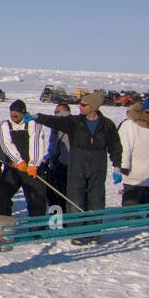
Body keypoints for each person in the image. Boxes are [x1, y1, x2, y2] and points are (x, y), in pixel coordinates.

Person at [34, 91, 122, 244]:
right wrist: (38, 117)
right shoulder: (75, 122)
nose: (80, 107)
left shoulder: (107, 125)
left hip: (97, 164)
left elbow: (115, 146)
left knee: (96, 199)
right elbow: (55, 121)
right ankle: (77, 233)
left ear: (93, 107)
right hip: (77, 164)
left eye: (83, 104)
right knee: (75, 198)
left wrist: (117, 166)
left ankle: (94, 233)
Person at [0, 100, 49, 219]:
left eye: (17, 112)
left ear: (23, 113)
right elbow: (6, 145)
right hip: (14, 167)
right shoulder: (5, 125)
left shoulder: (33, 123)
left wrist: (34, 164)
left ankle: (36, 230)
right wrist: (18, 161)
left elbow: (36, 143)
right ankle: (3, 226)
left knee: (36, 200)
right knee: (1, 197)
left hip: (32, 168)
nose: (14, 114)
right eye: (12, 111)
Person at [117, 97, 149, 208]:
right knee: (131, 206)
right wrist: (124, 165)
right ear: (142, 111)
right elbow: (125, 146)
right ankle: (131, 223)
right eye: (147, 112)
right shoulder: (130, 125)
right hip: (134, 175)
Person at [39, 102, 72, 209]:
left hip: (67, 168)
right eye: (55, 112)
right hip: (54, 167)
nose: (57, 114)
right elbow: (52, 147)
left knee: (64, 198)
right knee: (52, 199)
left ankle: (67, 223)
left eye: (59, 112)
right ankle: (56, 222)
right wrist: (47, 159)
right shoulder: (54, 129)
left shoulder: (72, 127)